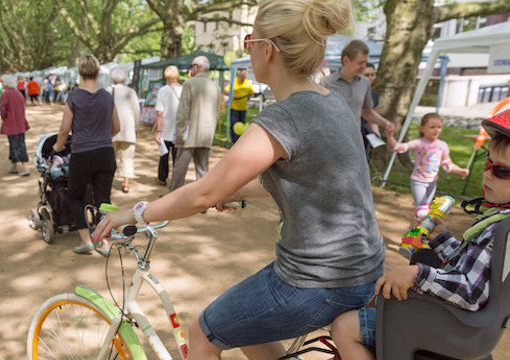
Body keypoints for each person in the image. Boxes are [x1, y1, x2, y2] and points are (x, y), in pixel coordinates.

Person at [93, 1, 384, 359]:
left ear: (267, 49)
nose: (249, 49)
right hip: (364, 269)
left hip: (317, 280)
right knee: (246, 326)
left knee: (203, 331)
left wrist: (133, 215)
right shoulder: (333, 102)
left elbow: (204, 193)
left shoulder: (284, 118)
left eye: (250, 41)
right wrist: (236, 193)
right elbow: (305, 177)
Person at [331, 102, 510, 360]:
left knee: (344, 327)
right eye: (488, 163)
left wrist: (419, 274)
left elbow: (471, 291)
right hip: (465, 325)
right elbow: (472, 265)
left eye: (502, 171)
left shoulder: (502, 228)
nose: (487, 175)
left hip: (456, 326)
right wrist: (441, 238)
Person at [52, 54, 120, 256]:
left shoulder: (74, 96)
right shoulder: (108, 96)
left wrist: (57, 147)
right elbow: (117, 127)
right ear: (98, 72)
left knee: (75, 195)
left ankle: (86, 241)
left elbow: (65, 129)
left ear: (80, 73)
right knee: (104, 199)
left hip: (82, 154)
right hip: (105, 152)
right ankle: (106, 243)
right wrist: (101, 138)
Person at [384, 113, 470, 220]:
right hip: (418, 181)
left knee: (422, 211)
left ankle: (414, 233)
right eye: (432, 127)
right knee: (422, 210)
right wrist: (389, 136)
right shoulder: (418, 143)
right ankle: (417, 234)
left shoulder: (442, 145)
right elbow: (398, 147)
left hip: (432, 182)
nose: (436, 130)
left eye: (439, 127)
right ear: (422, 129)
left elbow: (448, 165)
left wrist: (460, 170)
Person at [321, 40, 394, 137]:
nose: (364, 67)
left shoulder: (365, 82)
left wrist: (386, 123)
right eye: (360, 63)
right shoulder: (327, 84)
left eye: (365, 62)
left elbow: (366, 112)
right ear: (346, 60)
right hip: (331, 138)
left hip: (355, 139)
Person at [169, 55, 220, 192]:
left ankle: (172, 198)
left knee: (180, 168)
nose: (191, 69)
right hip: (206, 134)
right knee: (203, 169)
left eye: (192, 66)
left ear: (197, 67)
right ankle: (202, 201)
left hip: (188, 134)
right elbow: (217, 112)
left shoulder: (189, 84)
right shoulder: (215, 86)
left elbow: (183, 111)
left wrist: (179, 132)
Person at [108, 68, 141, 194]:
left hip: (110, 130)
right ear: (124, 79)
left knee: (110, 158)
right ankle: (126, 184)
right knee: (127, 158)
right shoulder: (131, 92)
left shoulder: (107, 91)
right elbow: (137, 111)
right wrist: (136, 128)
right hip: (128, 129)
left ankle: (109, 181)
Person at [154, 65, 182, 186]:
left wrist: (158, 131)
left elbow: (159, 113)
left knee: (164, 155)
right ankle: (176, 181)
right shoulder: (185, 89)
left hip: (165, 128)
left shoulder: (163, 90)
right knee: (178, 157)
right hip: (180, 129)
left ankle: (162, 177)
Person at [0, 75, 31, 176]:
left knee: (17, 145)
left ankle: (25, 168)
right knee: (16, 144)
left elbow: (2, 110)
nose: (2, 84)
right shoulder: (18, 93)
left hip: (11, 123)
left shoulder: (5, 94)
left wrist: (3, 117)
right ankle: (14, 166)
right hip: (20, 123)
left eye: (3, 82)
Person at [224, 68, 254, 142]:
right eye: (242, 77)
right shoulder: (233, 82)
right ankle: (234, 141)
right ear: (239, 75)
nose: (243, 79)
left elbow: (252, 93)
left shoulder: (247, 83)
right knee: (234, 124)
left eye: (244, 77)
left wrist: (252, 95)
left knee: (242, 124)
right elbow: (225, 91)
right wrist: (231, 94)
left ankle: (240, 140)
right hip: (234, 107)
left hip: (243, 108)